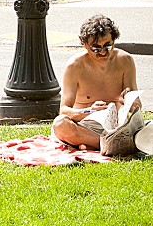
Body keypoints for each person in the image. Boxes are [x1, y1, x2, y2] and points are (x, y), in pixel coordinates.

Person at [52, 15, 141, 151]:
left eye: (107, 46)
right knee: (60, 124)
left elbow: (137, 106)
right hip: (85, 126)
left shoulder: (126, 60)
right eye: (96, 48)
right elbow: (64, 110)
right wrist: (88, 111)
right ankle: (113, 144)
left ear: (114, 40)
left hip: (115, 127)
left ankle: (94, 144)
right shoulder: (75, 66)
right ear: (84, 44)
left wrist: (129, 102)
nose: (103, 52)